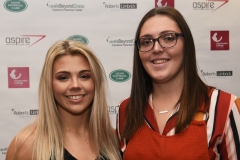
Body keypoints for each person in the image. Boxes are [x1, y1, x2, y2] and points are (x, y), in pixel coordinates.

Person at [117, 6, 240, 160]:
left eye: (168, 38)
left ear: (186, 45)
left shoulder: (224, 107)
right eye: (146, 42)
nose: (156, 48)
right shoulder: (126, 111)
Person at [6, 40, 122, 160]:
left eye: (84, 76)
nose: (75, 85)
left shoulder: (114, 140)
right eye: (63, 78)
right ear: (49, 84)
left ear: (96, 82)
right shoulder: (27, 145)